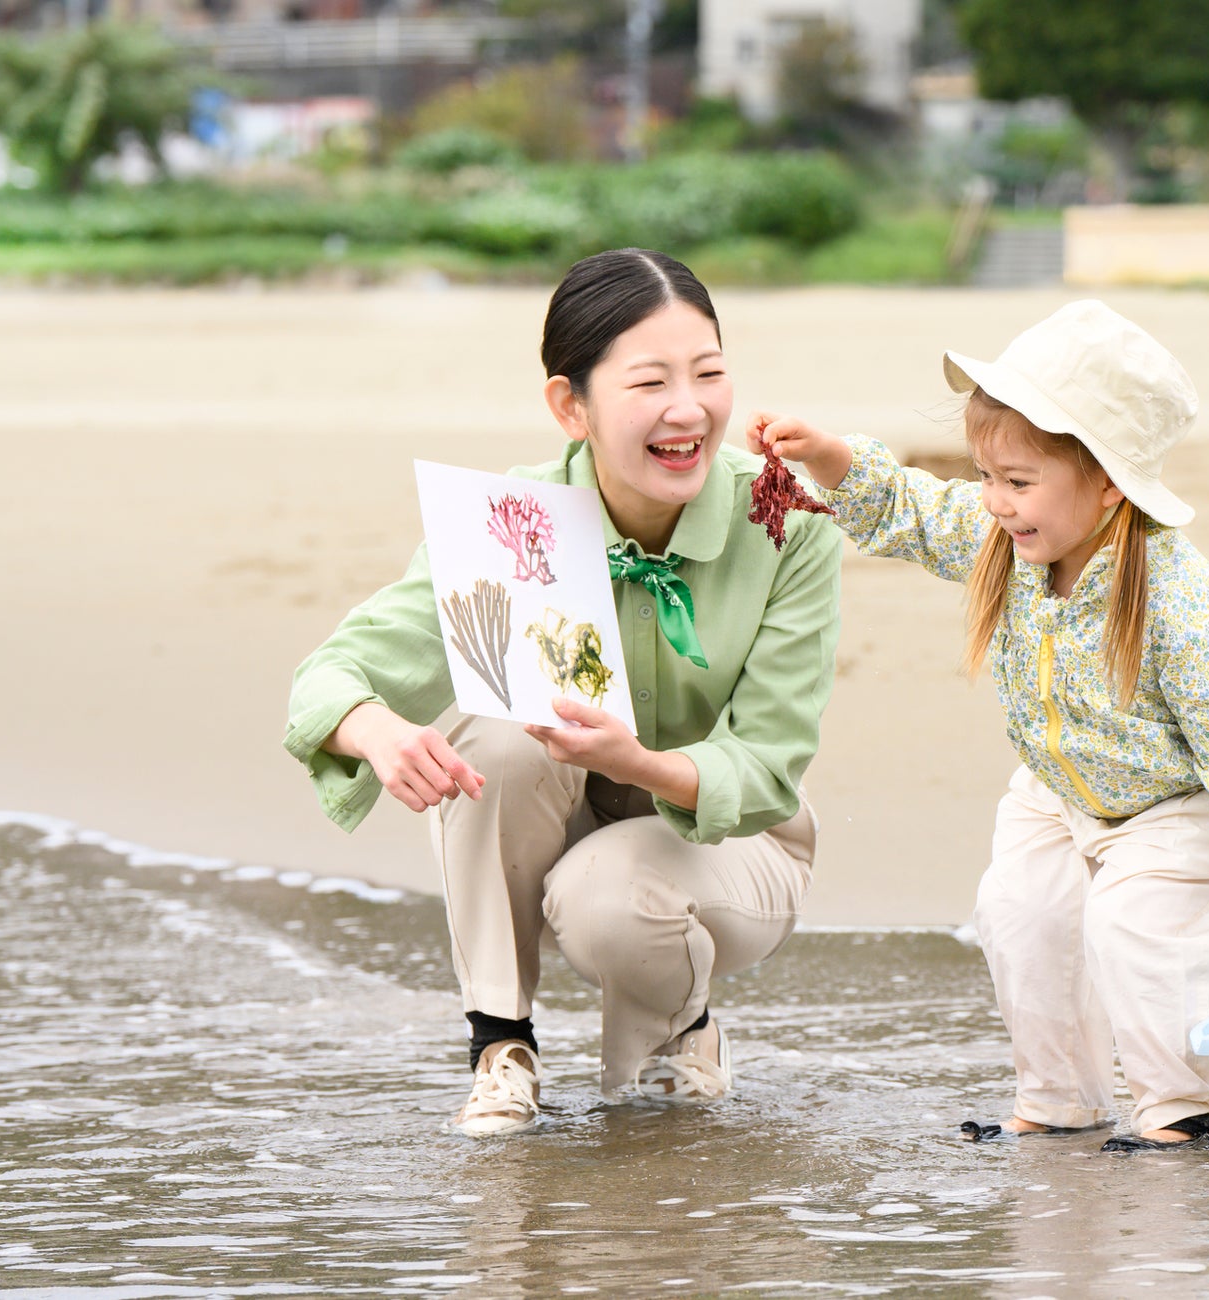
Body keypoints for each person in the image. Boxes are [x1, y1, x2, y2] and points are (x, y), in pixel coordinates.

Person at [285, 249, 842, 1137]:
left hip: (736, 851)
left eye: (709, 373)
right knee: (491, 730)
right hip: (551, 828)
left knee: (608, 892)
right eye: (649, 382)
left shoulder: (783, 519)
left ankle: (681, 1032)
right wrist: (376, 729)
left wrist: (642, 762)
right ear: (569, 405)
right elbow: (331, 673)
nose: (688, 409)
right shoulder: (514, 519)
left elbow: (769, 766)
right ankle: (501, 1045)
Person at [747, 300, 1209, 1152]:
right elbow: (915, 511)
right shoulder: (1006, 541)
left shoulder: (1171, 591)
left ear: (1109, 481)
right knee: (1019, 914)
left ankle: (1180, 1109)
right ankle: (1058, 1100)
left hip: (1173, 806)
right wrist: (827, 456)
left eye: (1018, 481)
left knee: (1134, 928)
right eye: (987, 476)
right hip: (1055, 793)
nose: (996, 502)